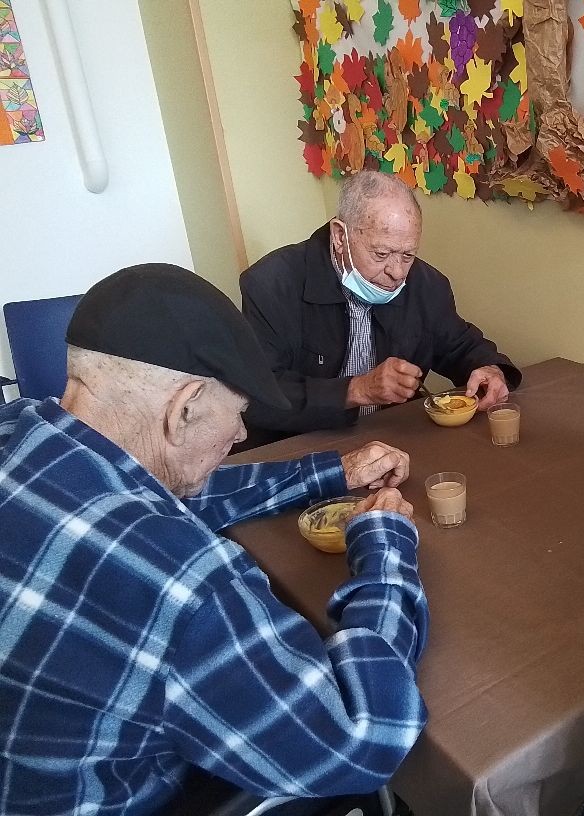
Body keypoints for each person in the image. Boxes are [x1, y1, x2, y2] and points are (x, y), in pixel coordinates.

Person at [0, 264, 428, 815]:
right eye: (240, 414)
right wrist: (386, 545)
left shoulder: (20, 427)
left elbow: (154, 491)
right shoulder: (183, 585)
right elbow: (362, 736)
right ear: (183, 409)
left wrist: (333, 472)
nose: (242, 434)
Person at [239, 170, 521, 446]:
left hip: (392, 436)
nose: (397, 272)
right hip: (299, 444)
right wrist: (357, 390)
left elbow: (459, 345)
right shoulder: (272, 284)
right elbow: (257, 396)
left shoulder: (426, 284)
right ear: (340, 237)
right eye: (381, 254)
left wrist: (491, 370)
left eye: (408, 255)